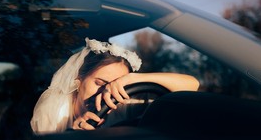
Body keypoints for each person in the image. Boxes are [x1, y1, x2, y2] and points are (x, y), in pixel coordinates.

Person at [30, 38, 199, 134]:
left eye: (116, 84)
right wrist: (72, 138)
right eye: (99, 83)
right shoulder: (54, 109)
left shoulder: (125, 103)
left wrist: (133, 80)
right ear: (79, 80)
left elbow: (193, 85)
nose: (106, 93)